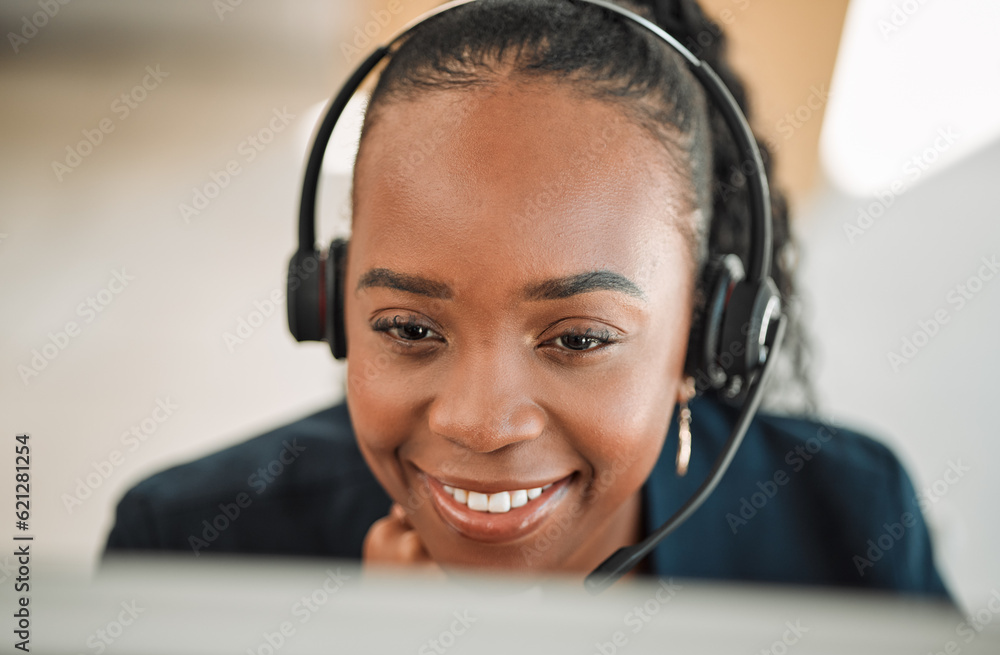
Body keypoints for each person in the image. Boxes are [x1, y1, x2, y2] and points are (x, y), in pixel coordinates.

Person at [104, 0, 951, 599]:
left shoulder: (847, 523)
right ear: (329, 308)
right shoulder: (184, 545)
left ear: (704, 338)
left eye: (578, 338)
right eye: (408, 326)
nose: (480, 420)